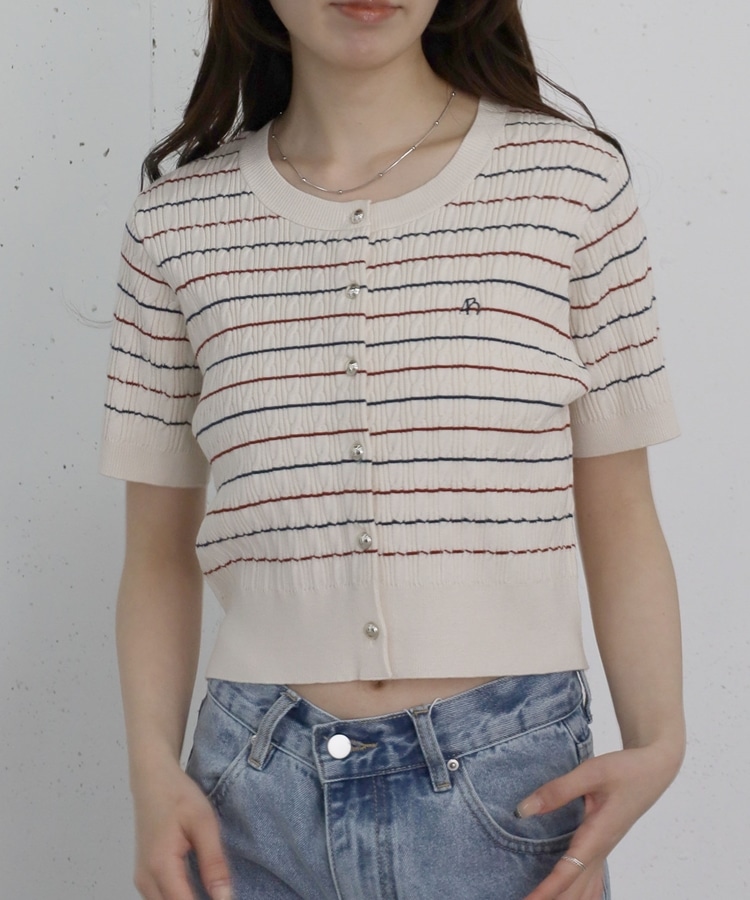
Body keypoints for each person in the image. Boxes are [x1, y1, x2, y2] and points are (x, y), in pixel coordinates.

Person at [100, 2, 685, 898]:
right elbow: (154, 552)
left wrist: (660, 741)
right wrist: (150, 770)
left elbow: (621, 507)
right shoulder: (177, 222)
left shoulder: (571, 183)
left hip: (511, 786)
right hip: (250, 799)